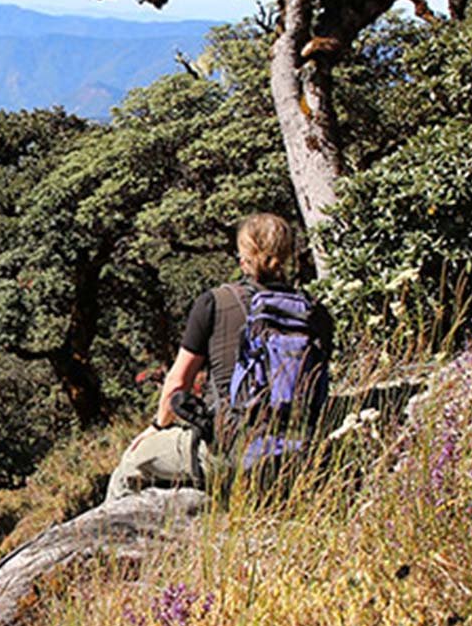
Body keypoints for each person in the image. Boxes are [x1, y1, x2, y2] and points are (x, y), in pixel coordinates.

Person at [104, 212, 333, 503]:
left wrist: (156, 428)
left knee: (130, 464)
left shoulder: (215, 302)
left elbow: (177, 383)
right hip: (301, 447)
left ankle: (109, 528)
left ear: (243, 256)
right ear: (287, 254)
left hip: (230, 450)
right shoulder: (315, 312)